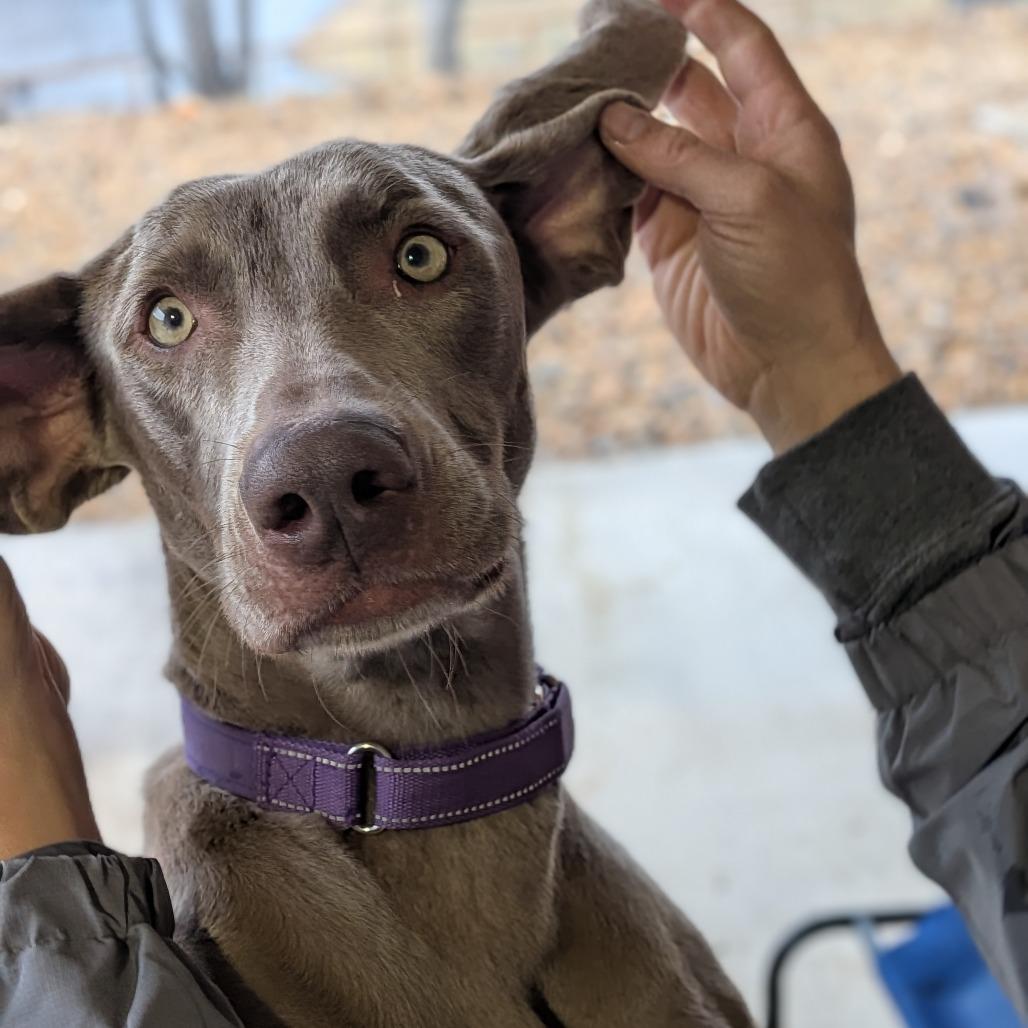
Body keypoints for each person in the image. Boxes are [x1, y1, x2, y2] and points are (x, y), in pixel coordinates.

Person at [1, 0, 1025, 1020]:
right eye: (168, 322)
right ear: (48, 426)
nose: (315, 450)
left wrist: (814, 364)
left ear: (550, 234)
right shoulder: (190, 980)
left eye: (417, 258)